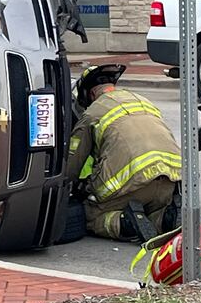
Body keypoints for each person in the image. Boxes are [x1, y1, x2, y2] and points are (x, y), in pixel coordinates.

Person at [67, 65, 183, 242]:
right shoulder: (143, 101)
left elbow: (72, 166)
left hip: (131, 185)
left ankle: (125, 222)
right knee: (152, 210)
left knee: (91, 215)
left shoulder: (92, 113)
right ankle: (166, 218)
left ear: (90, 94)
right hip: (169, 182)